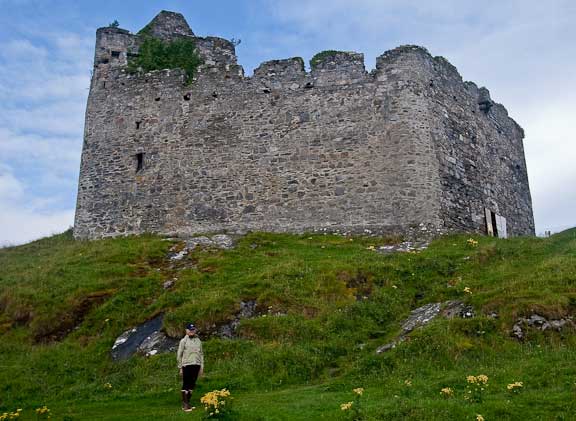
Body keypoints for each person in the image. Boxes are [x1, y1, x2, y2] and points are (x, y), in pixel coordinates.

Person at [177, 323, 204, 411]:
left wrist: (201, 367)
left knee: (192, 385)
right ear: (186, 331)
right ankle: (185, 405)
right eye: (190, 330)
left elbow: (201, 354)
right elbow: (179, 355)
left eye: (193, 330)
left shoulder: (198, 341)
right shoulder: (183, 341)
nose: (192, 331)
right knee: (186, 384)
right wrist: (180, 367)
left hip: (196, 364)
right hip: (186, 365)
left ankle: (188, 403)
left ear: (195, 330)